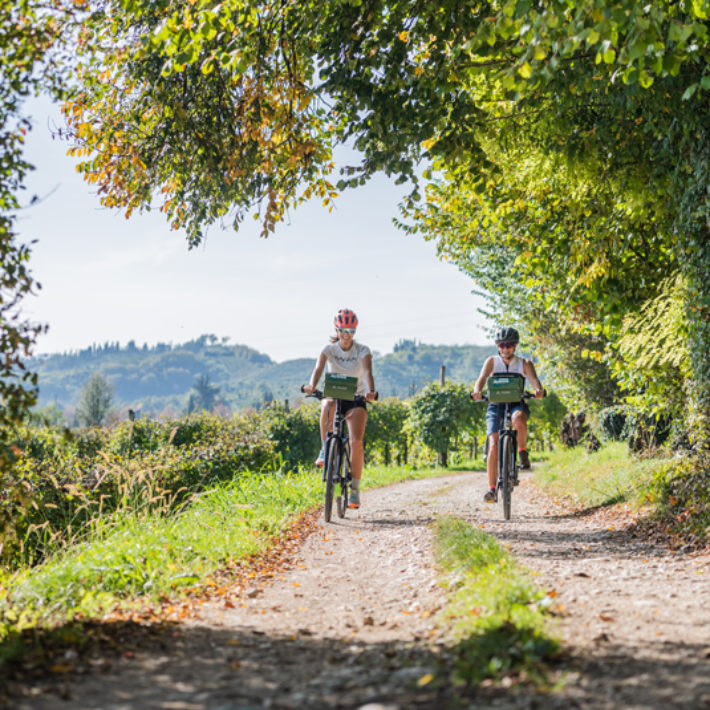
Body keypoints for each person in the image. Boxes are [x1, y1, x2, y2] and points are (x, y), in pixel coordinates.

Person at [303, 308, 376, 509]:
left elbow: (368, 371)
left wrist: (371, 390)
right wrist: (312, 385)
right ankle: (325, 447)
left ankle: (354, 490)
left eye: (351, 330)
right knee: (326, 404)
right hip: (334, 394)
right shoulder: (328, 350)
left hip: (356, 397)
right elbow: (318, 369)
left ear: (355, 331)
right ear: (336, 329)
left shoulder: (363, 350)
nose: (347, 334)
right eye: (343, 329)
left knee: (356, 441)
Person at [471, 327, 544, 502]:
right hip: (496, 405)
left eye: (510, 345)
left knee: (518, 418)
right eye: (502, 345)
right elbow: (481, 379)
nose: (506, 348)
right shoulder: (491, 361)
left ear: (515, 346)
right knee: (493, 444)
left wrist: (538, 390)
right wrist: (477, 391)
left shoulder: (524, 363)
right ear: (498, 346)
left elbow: (535, 381)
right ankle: (492, 489)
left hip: (516, 404)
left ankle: (522, 451)